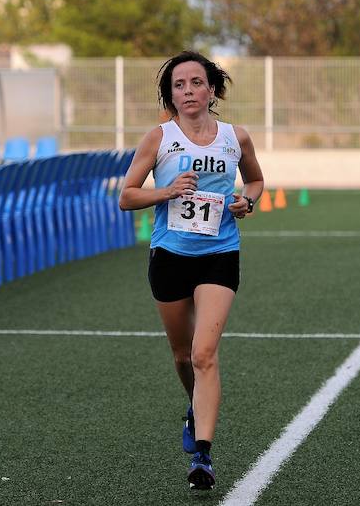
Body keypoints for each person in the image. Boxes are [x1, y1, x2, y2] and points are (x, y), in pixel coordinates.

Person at [118, 50, 264, 490]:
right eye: (179, 86)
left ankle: (202, 455)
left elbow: (256, 181)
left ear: (212, 89)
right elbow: (126, 196)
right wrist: (165, 191)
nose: (188, 92)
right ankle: (193, 405)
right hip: (170, 255)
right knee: (182, 356)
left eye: (196, 83)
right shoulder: (158, 139)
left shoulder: (234, 137)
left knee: (204, 354)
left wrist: (246, 201)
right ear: (171, 95)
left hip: (220, 251)